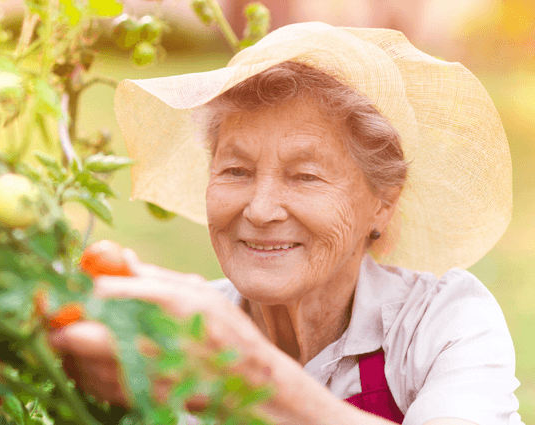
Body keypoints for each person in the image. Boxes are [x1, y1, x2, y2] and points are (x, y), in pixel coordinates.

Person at [49, 22, 523, 424]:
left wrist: (245, 380)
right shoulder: (176, 338)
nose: (260, 209)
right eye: (236, 170)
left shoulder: (440, 324)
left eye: (305, 176)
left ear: (382, 201)